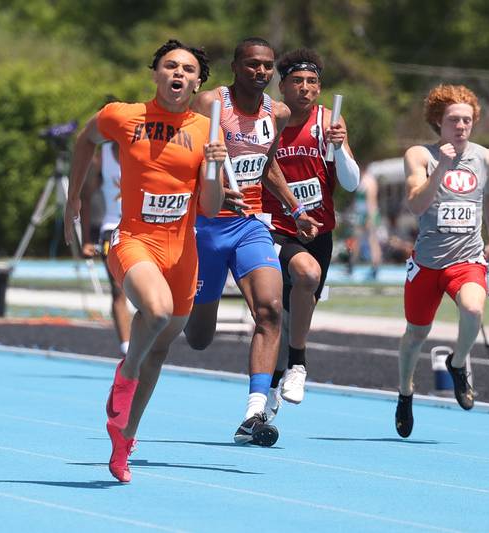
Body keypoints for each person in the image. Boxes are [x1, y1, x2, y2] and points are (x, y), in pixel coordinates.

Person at [64, 39, 226, 482]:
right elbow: (84, 142)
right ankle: (125, 370)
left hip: (182, 252)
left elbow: (210, 207)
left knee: (159, 348)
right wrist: (73, 198)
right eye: (170, 66)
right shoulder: (123, 115)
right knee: (152, 312)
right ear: (155, 73)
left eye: (188, 69)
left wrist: (214, 167)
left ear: (197, 82)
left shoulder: (207, 131)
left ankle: (123, 441)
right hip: (132, 238)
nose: (179, 73)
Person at [184, 37, 319, 447]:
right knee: (199, 338)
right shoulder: (209, 104)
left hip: (250, 225)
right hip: (206, 228)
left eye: (266, 66)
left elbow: (268, 166)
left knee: (270, 310)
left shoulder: (275, 111)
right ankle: (181, 307)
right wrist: (211, 189)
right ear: (236, 66)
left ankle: (254, 411)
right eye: (252, 65)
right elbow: (180, 156)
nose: (260, 72)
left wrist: (296, 210)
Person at [395, 84, 489, 438]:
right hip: (427, 262)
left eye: (467, 120)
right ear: (438, 122)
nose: (461, 127)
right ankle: (406, 394)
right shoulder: (420, 155)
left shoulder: (486, 158)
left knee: (473, 310)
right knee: (415, 335)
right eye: (454, 120)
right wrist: (440, 166)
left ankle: (457, 365)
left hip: (466, 259)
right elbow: (416, 204)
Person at [261, 48, 360, 419]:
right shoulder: (267, 120)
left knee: (291, 318)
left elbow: (351, 183)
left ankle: (270, 392)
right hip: (275, 230)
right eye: (297, 82)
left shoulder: (328, 122)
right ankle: (299, 364)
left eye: (312, 82)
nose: (305, 88)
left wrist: (340, 148)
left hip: (319, 233)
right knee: (292, 293)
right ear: (282, 86)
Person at [80, 98, 131, 358]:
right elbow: (86, 197)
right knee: (118, 288)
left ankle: (144, 342)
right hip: (112, 228)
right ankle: (126, 348)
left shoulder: (142, 148)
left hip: (143, 228)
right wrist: (87, 239)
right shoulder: (100, 160)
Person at [352, 170, 383, 280]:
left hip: (369, 214)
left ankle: (375, 267)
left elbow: (371, 201)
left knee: (372, 240)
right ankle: (351, 264)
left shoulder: (370, 180)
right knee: (357, 239)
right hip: (361, 214)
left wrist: (370, 217)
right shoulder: (361, 179)